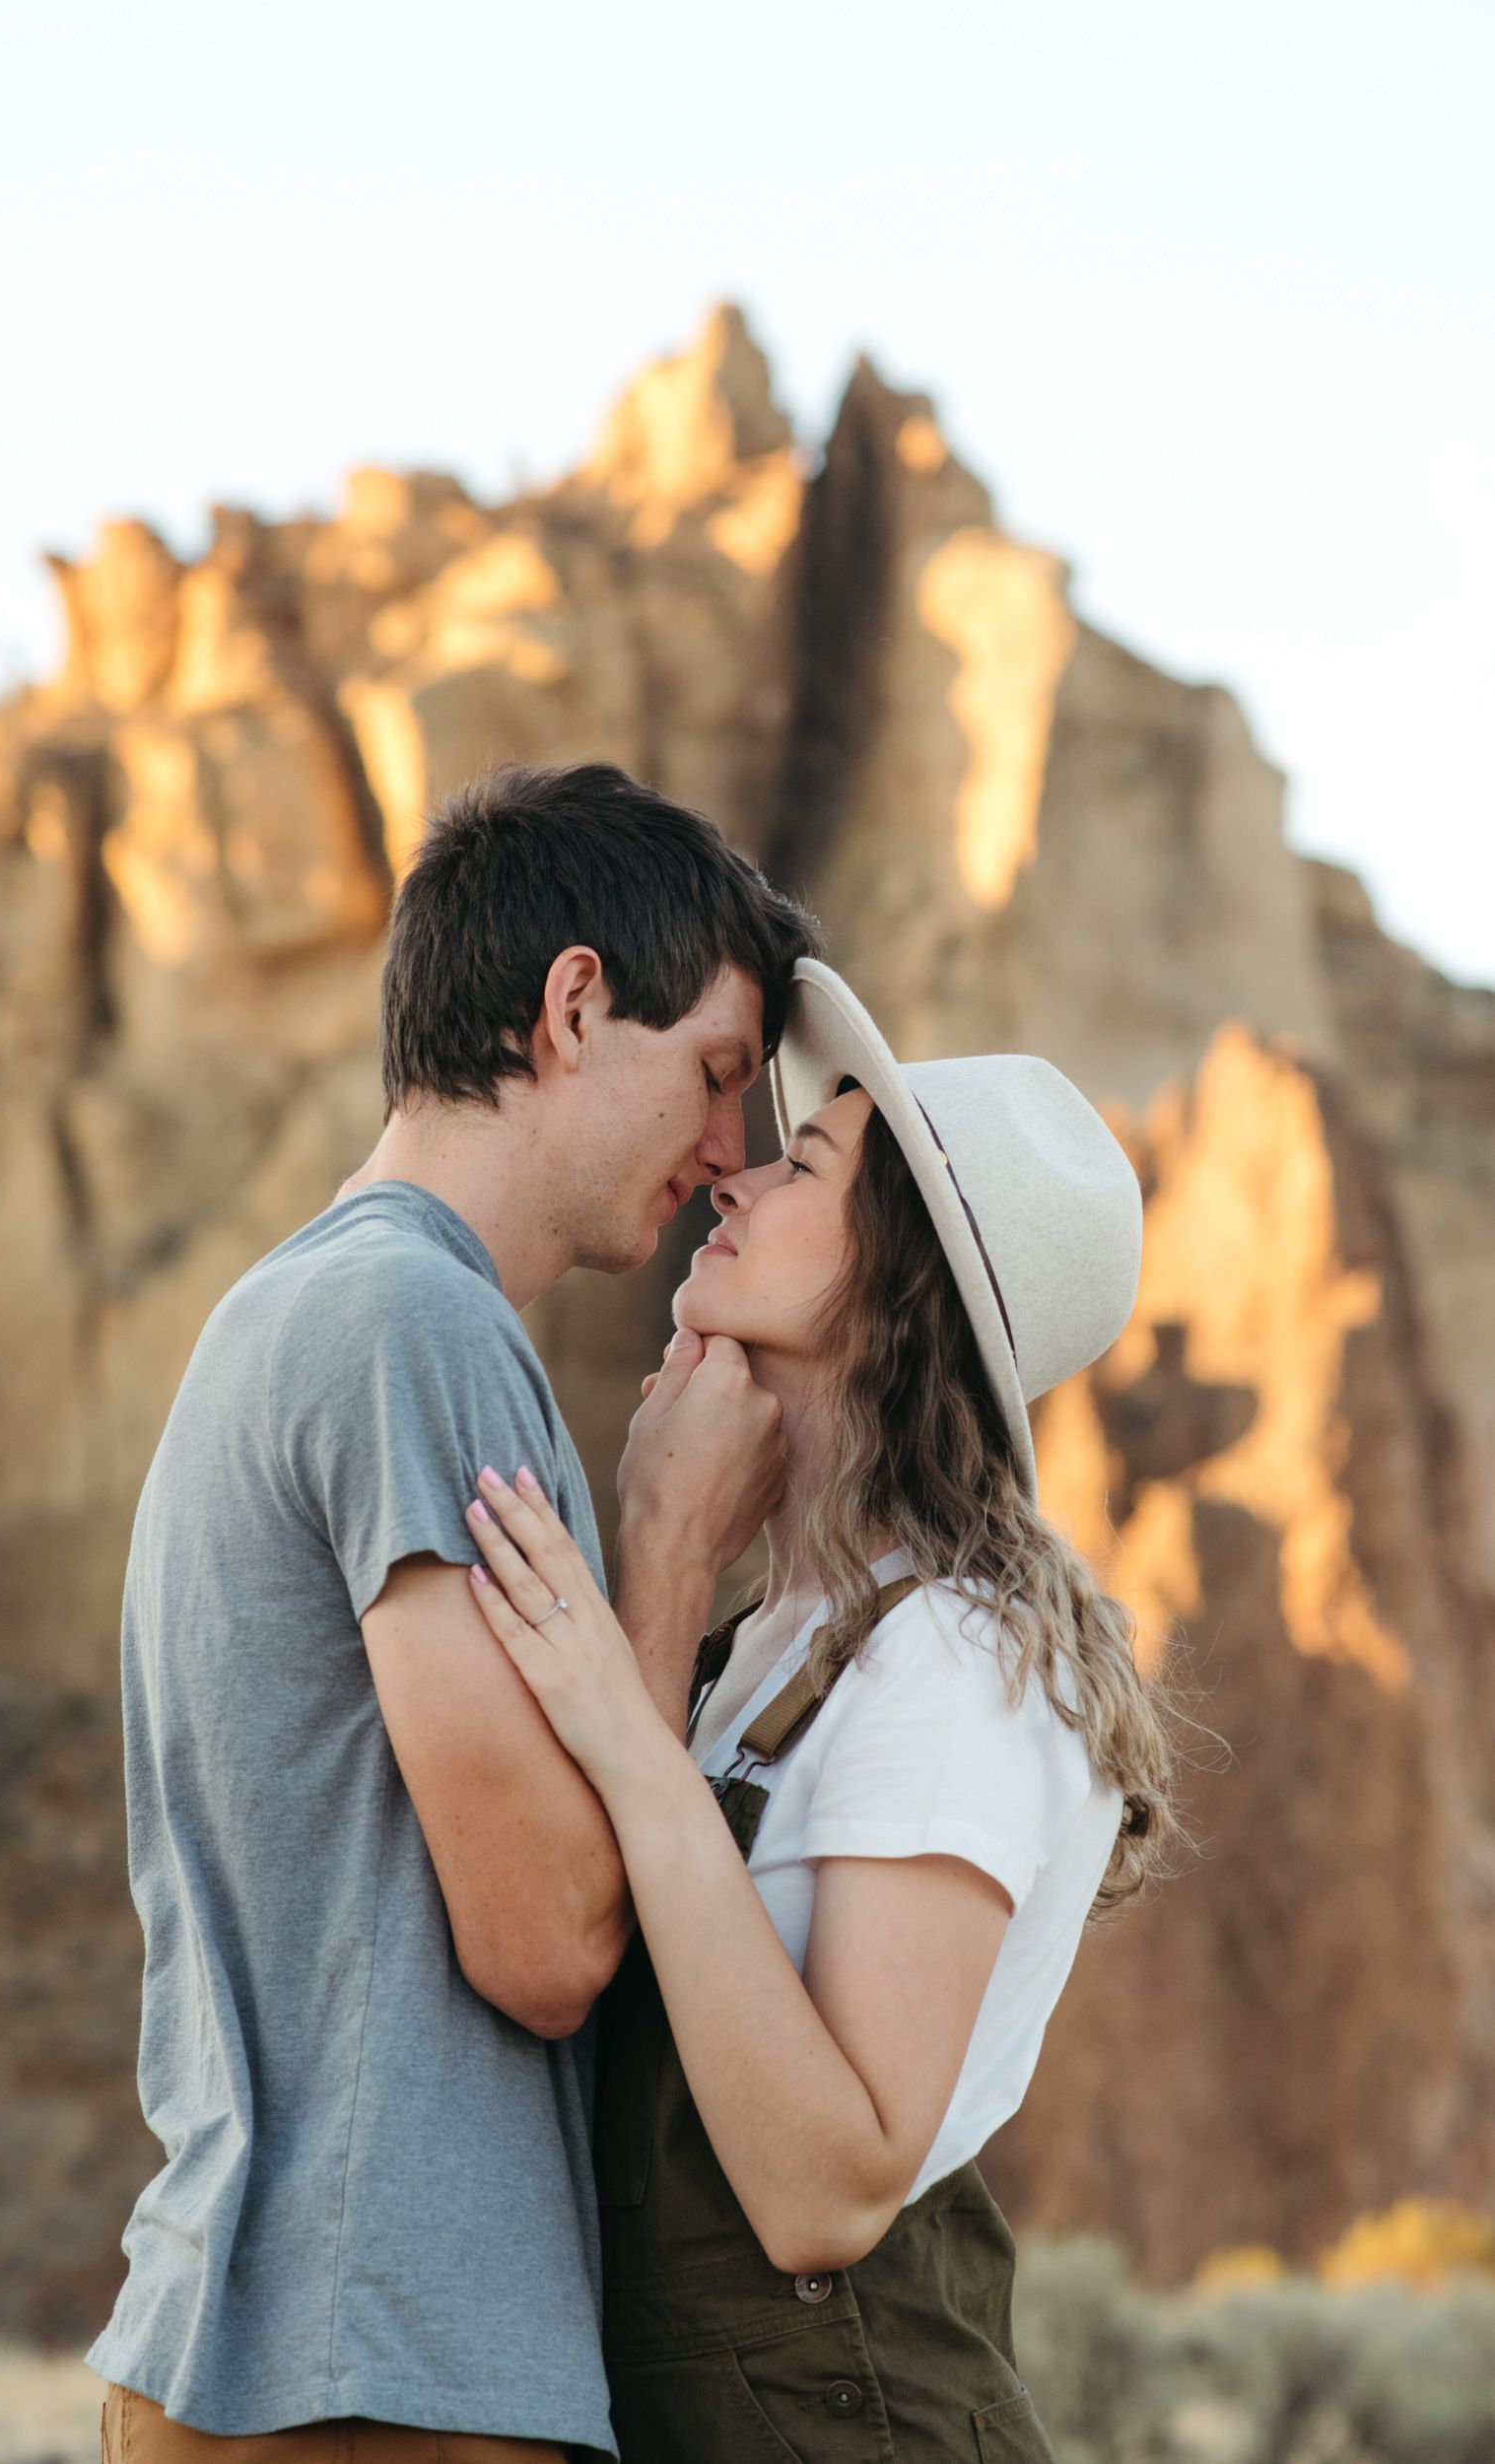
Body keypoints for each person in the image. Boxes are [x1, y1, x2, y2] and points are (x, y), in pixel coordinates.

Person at [87, 764, 820, 2464]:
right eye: (714, 1072)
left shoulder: (303, 1309)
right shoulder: (417, 1324)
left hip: (296, 2355)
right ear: (574, 1006)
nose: (727, 1151)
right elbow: (551, 1941)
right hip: (376, 2376)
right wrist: (668, 1546)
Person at [461, 959, 1181, 2463]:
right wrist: (656, 1569)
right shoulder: (768, 1646)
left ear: (893, 1274)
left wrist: (612, 1709)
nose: (734, 1181)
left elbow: (827, 2190)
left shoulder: (959, 1660)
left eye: (805, 1167)